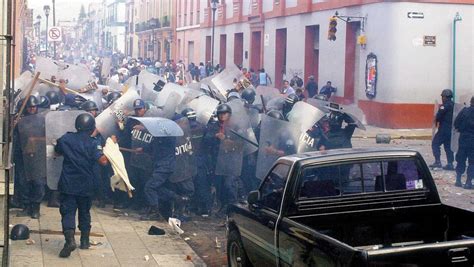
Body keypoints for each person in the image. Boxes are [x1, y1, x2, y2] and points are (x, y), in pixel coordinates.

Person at [54, 113, 111, 258]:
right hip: (86, 185)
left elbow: (57, 150)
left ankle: (69, 240)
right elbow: (103, 161)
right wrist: (110, 150)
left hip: (68, 184)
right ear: (92, 127)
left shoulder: (66, 138)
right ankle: (84, 241)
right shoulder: (93, 143)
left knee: (68, 212)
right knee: (85, 212)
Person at [14, 96, 46, 219]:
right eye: (30, 107)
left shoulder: (43, 121)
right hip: (23, 155)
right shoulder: (20, 120)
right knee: (23, 182)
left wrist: (35, 140)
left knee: (38, 183)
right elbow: (13, 137)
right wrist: (15, 124)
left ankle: (35, 207)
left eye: (34, 106)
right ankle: (26, 206)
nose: (32, 109)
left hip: (38, 156)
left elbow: (48, 137)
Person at [430, 89, 455, 170]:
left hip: (444, 129)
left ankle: (438, 162)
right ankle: (450, 163)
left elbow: (438, 116)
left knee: (435, 143)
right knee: (448, 147)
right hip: (451, 130)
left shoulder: (444, 106)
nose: (442, 98)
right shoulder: (454, 105)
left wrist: (436, 119)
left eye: (443, 97)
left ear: (445, 97)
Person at [454, 96, 474, 188]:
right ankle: (468, 182)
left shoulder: (464, 110)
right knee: (472, 162)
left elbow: (456, 123)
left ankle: (458, 180)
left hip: (462, 138)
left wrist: (460, 129)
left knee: (461, 159)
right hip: (472, 140)